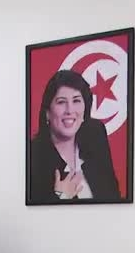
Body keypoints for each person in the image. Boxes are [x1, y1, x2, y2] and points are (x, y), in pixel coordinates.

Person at [28, 69, 120, 203]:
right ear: (47, 113)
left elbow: (113, 196)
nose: (69, 110)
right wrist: (61, 197)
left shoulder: (96, 135)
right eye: (61, 102)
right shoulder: (33, 155)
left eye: (76, 100)